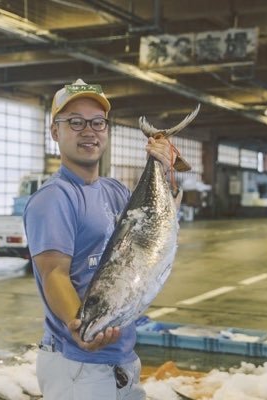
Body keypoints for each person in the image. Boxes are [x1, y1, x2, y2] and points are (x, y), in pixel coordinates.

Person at [23, 78, 174, 400]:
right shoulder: (55, 197)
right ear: (55, 132)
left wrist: (163, 166)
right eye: (75, 122)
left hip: (120, 357)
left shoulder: (114, 190)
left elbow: (156, 227)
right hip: (77, 364)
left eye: (97, 122)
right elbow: (54, 273)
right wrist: (78, 327)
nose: (88, 131)